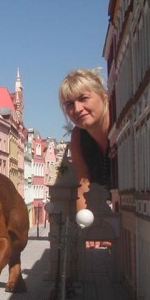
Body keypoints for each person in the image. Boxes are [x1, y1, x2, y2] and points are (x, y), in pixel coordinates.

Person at [59, 69, 111, 248]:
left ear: (104, 95)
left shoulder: (121, 123)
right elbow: (83, 185)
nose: (77, 109)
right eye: (69, 104)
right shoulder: (78, 136)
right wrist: (87, 228)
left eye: (83, 98)